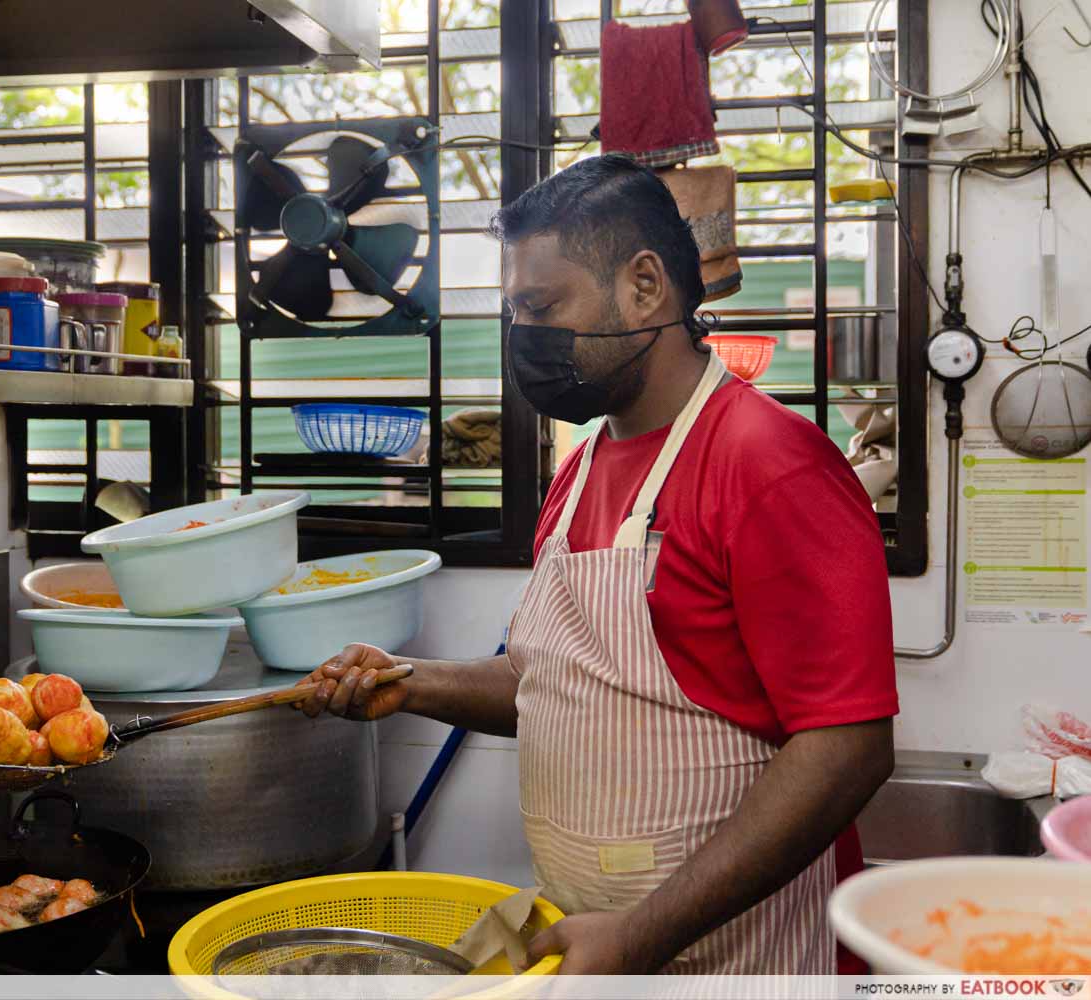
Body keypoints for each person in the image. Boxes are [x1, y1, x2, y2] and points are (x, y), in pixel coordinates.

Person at [296, 155, 898, 975]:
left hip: (743, 959)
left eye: (541, 307)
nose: (524, 338)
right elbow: (561, 682)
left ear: (645, 286)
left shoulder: (770, 463)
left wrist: (642, 933)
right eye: (515, 312)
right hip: (602, 942)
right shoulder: (581, 468)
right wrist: (415, 683)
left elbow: (846, 750)